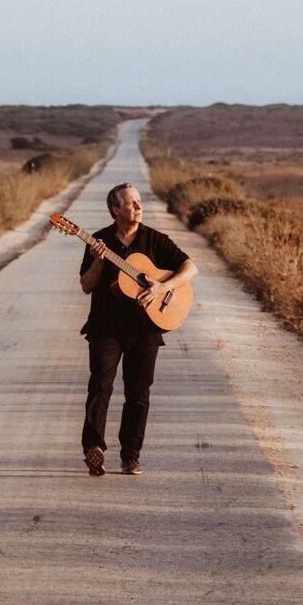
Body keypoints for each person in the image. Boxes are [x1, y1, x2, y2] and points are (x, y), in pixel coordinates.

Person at [78, 183, 199, 476]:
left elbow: (191, 267)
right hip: (106, 326)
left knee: (138, 393)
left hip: (145, 328)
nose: (138, 207)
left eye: (139, 202)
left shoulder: (155, 240)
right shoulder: (99, 240)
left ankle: (131, 456)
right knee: (100, 385)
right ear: (116, 209)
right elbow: (86, 286)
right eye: (131, 203)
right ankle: (94, 448)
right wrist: (97, 260)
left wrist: (163, 285)